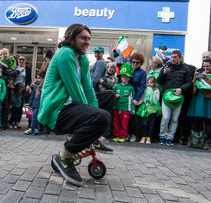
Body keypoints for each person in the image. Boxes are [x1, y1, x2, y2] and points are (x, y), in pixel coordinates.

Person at [37, 23, 111, 186]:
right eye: (83, 38)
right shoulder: (65, 53)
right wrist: (92, 114)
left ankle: (92, 136)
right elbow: (75, 88)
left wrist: (94, 112)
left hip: (73, 107)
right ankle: (64, 156)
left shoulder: (83, 59)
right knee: (101, 117)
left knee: (110, 97)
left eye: (89, 39)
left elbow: (87, 88)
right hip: (57, 109)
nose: (87, 42)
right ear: (72, 38)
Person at [157, 50, 192, 146]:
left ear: (180, 58)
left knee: (175, 118)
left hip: (178, 97)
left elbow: (189, 83)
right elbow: (159, 81)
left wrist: (181, 89)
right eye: (172, 57)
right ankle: (162, 136)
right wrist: (163, 73)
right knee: (165, 117)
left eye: (175, 57)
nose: (173, 59)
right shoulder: (166, 66)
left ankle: (170, 137)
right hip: (166, 96)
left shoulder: (186, 69)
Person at [187, 58, 211, 150]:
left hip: (208, 99)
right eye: (204, 66)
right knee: (196, 119)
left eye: (208, 66)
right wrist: (195, 76)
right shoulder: (200, 73)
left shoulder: (206, 75)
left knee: (208, 121)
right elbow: (194, 84)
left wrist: (205, 77)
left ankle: (207, 142)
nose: (205, 68)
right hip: (199, 98)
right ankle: (192, 139)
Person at [112, 63, 135, 142]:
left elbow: (132, 99)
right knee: (116, 122)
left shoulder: (130, 88)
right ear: (120, 77)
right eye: (122, 76)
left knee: (124, 123)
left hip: (126, 108)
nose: (124, 78)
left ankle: (122, 136)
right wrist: (115, 96)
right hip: (117, 107)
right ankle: (116, 135)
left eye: (126, 76)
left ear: (129, 78)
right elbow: (113, 96)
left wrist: (133, 109)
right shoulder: (117, 86)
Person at [127, 53, 146, 142]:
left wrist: (137, 98)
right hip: (126, 96)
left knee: (134, 118)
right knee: (126, 117)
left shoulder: (142, 73)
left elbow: (142, 86)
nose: (135, 64)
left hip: (135, 96)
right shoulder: (128, 69)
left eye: (137, 63)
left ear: (140, 63)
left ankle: (134, 134)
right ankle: (127, 133)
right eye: (133, 62)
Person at [137, 76, 160, 144]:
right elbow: (142, 98)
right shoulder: (145, 89)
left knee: (151, 124)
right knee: (144, 124)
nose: (149, 84)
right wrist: (138, 103)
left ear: (154, 83)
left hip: (153, 110)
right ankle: (143, 136)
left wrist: (150, 98)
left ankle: (149, 137)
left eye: (151, 82)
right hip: (146, 110)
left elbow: (156, 99)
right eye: (148, 82)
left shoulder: (156, 90)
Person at [13, 55, 32, 128]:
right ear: (18, 60)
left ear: (25, 61)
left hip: (22, 89)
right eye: (20, 59)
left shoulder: (27, 69)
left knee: (20, 106)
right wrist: (19, 71)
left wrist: (28, 85)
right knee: (13, 106)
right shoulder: (15, 67)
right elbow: (12, 75)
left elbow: (29, 79)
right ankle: (12, 121)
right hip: (14, 88)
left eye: (23, 60)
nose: (22, 61)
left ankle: (18, 122)